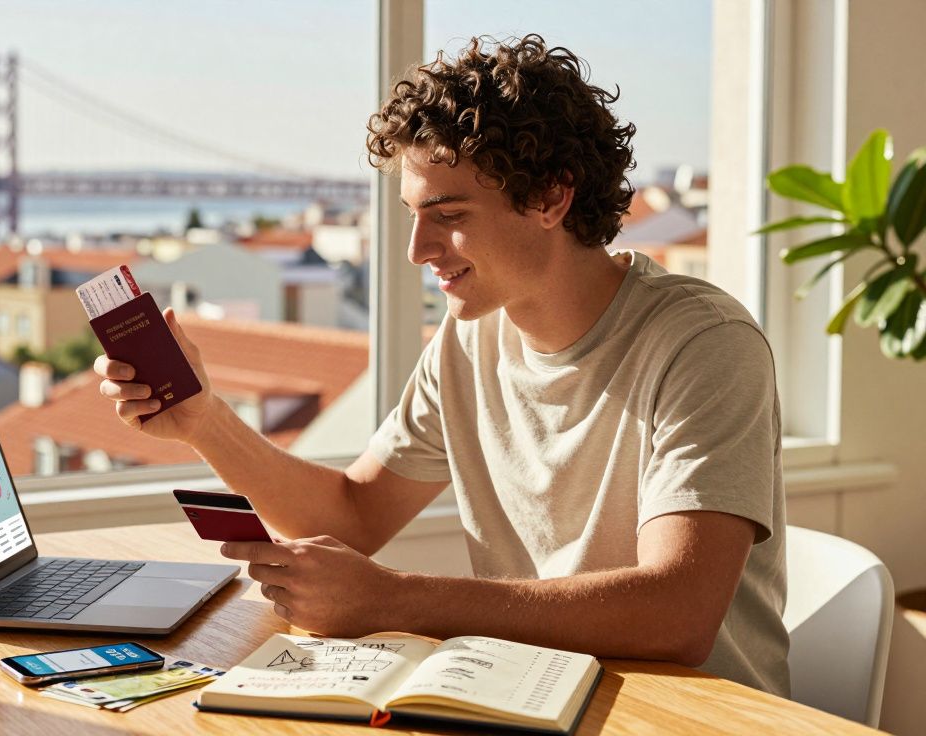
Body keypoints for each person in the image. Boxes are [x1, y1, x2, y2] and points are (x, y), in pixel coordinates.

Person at [94, 35, 788, 696]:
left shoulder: (704, 343)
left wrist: (397, 598)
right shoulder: (469, 341)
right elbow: (354, 516)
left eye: (447, 213)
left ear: (551, 197)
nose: (417, 251)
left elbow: (677, 614)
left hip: (699, 714)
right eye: (410, 217)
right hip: (534, 697)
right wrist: (205, 422)